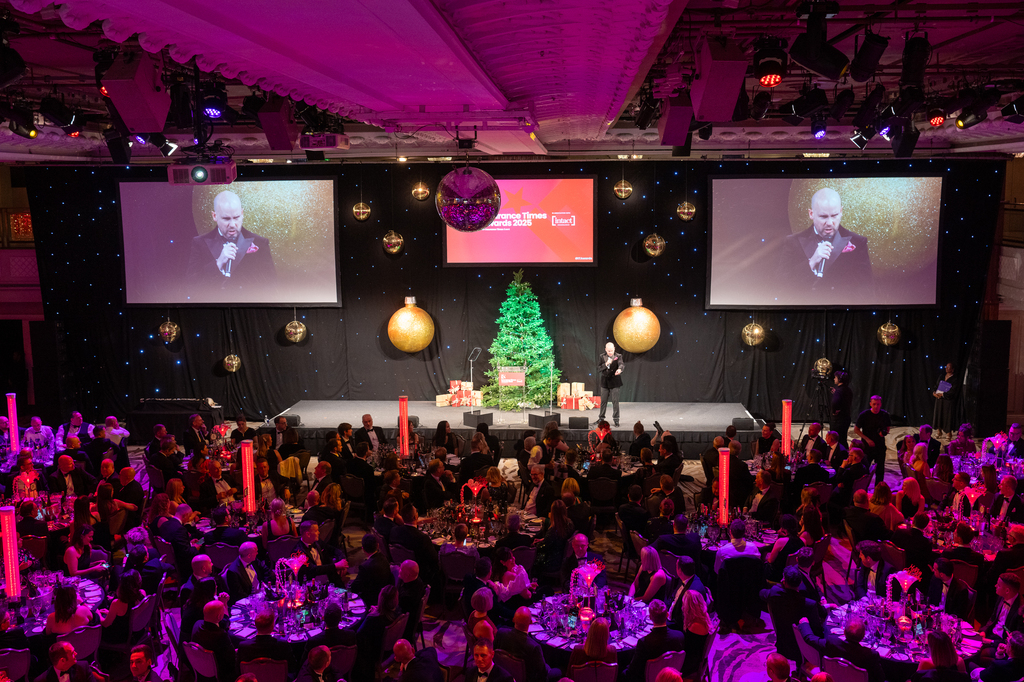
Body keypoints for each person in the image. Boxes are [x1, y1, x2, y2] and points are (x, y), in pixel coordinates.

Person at [781, 187, 873, 299]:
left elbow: (866, 290)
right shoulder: (793, 242)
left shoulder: (857, 242)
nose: (829, 223)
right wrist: (811, 262)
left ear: (841, 212)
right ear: (811, 214)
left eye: (834, 216)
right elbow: (781, 285)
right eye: (823, 217)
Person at [185, 190, 277, 295]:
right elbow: (191, 288)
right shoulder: (199, 244)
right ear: (214, 216)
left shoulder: (260, 243)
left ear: (242, 213)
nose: (233, 224)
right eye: (226, 219)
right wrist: (218, 263)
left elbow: (271, 287)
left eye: (236, 217)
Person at [760, 566, 823, 665]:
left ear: (783, 580)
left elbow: (761, 593)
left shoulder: (774, 593)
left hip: (783, 643)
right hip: (805, 647)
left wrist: (780, 586)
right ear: (801, 582)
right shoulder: (809, 604)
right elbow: (817, 629)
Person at [798, 616, 884, 682]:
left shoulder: (832, 643)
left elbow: (810, 639)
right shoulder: (871, 655)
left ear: (844, 632)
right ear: (863, 636)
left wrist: (804, 623)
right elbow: (880, 679)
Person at [624, 600, 685, 682]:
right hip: (670, 678)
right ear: (667, 615)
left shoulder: (644, 642)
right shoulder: (679, 636)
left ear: (650, 617)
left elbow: (633, 670)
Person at [494, 607, 560, 682]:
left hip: (504, 674)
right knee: (557, 671)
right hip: (528, 679)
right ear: (531, 622)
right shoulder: (533, 646)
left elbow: (495, 653)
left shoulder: (501, 633)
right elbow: (542, 673)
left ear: (513, 620)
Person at [355, 585, 400, 681]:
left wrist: (370, 615)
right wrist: (378, 611)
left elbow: (358, 635)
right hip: (390, 650)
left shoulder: (373, 620)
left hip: (374, 655)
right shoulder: (397, 613)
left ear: (381, 599)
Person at [293, 521, 348, 586]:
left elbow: (334, 549)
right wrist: (336, 566)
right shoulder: (298, 552)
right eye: (316, 531)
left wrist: (342, 560)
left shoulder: (316, 541)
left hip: (328, 577)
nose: (319, 532)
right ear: (308, 534)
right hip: (311, 584)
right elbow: (312, 570)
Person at [855, 395, 891, 485]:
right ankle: (864, 487)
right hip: (867, 447)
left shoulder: (884, 415)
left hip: (880, 446)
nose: (876, 406)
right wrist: (867, 439)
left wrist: (883, 433)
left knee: (880, 470)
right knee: (865, 468)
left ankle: (878, 489)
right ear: (870, 404)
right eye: (874, 404)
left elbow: (888, 428)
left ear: (880, 404)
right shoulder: (864, 415)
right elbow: (856, 429)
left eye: (878, 404)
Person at [351, 533, 393, 608]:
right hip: (385, 598)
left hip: (370, 602)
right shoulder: (385, 559)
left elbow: (355, 588)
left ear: (363, 549)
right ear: (378, 546)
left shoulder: (365, 567)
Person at [34, 641, 105, 682]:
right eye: (72, 653)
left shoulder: (83, 668)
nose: (76, 653)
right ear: (63, 660)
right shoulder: (42, 680)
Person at [679, 590, 712, 677]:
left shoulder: (695, 626)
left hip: (691, 664)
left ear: (688, 606)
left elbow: (687, 648)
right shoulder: (703, 616)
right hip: (696, 656)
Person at [596, 342, 624, 426]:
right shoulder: (602, 356)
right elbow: (598, 368)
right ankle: (601, 418)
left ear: (614, 349)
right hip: (605, 381)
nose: (610, 352)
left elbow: (621, 364)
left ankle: (616, 419)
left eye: (611, 350)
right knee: (603, 401)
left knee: (615, 401)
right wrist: (606, 364)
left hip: (615, 380)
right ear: (605, 350)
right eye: (608, 351)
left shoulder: (618, 356)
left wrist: (619, 369)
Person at [931, 364, 960, 438]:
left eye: (948, 367)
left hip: (948, 400)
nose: (946, 368)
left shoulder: (954, 379)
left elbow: (953, 391)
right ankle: (939, 431)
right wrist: (934, 392)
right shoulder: (941, 376)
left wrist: (943, 394)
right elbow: (936, 386)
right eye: (946, 367)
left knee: (947, 416)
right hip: (939, 399)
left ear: (952, 369)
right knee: (938, 414)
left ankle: (948, 433)